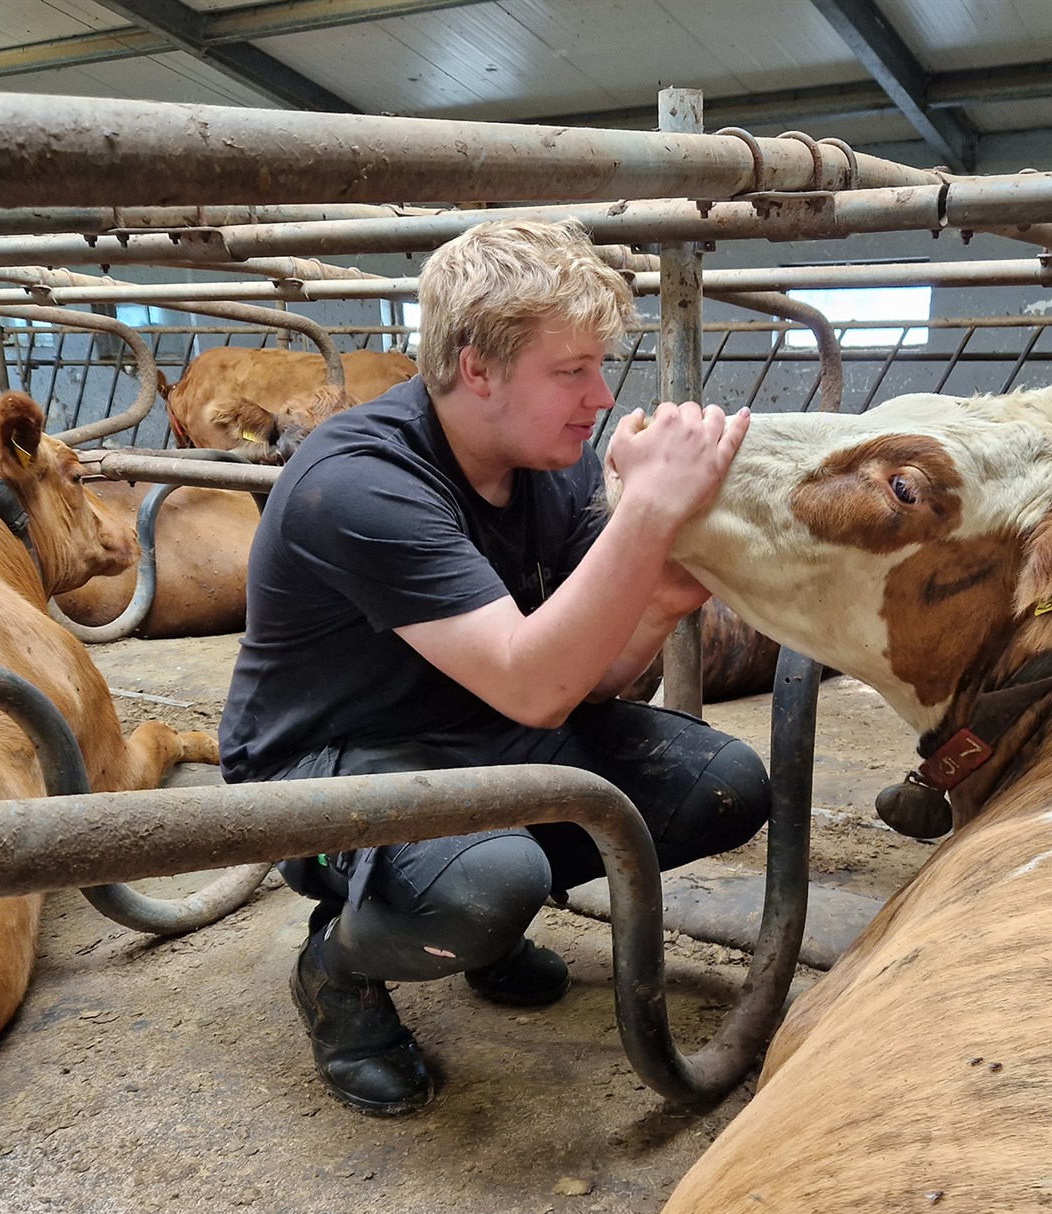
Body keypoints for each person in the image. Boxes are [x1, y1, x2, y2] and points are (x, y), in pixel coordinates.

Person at [219, 219, 770, 1116]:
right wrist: (645, 511)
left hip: (484, 727)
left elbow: (586, 679)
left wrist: (663, 598)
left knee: (723, 784)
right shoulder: (360, 481)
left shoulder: (552, 464)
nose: (601, 396)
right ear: (477, 368)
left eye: (600, 366)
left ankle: (475, 906)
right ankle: (339, 968)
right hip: (324, 766)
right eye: (572, 370)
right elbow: (537, 686)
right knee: (485, 887)